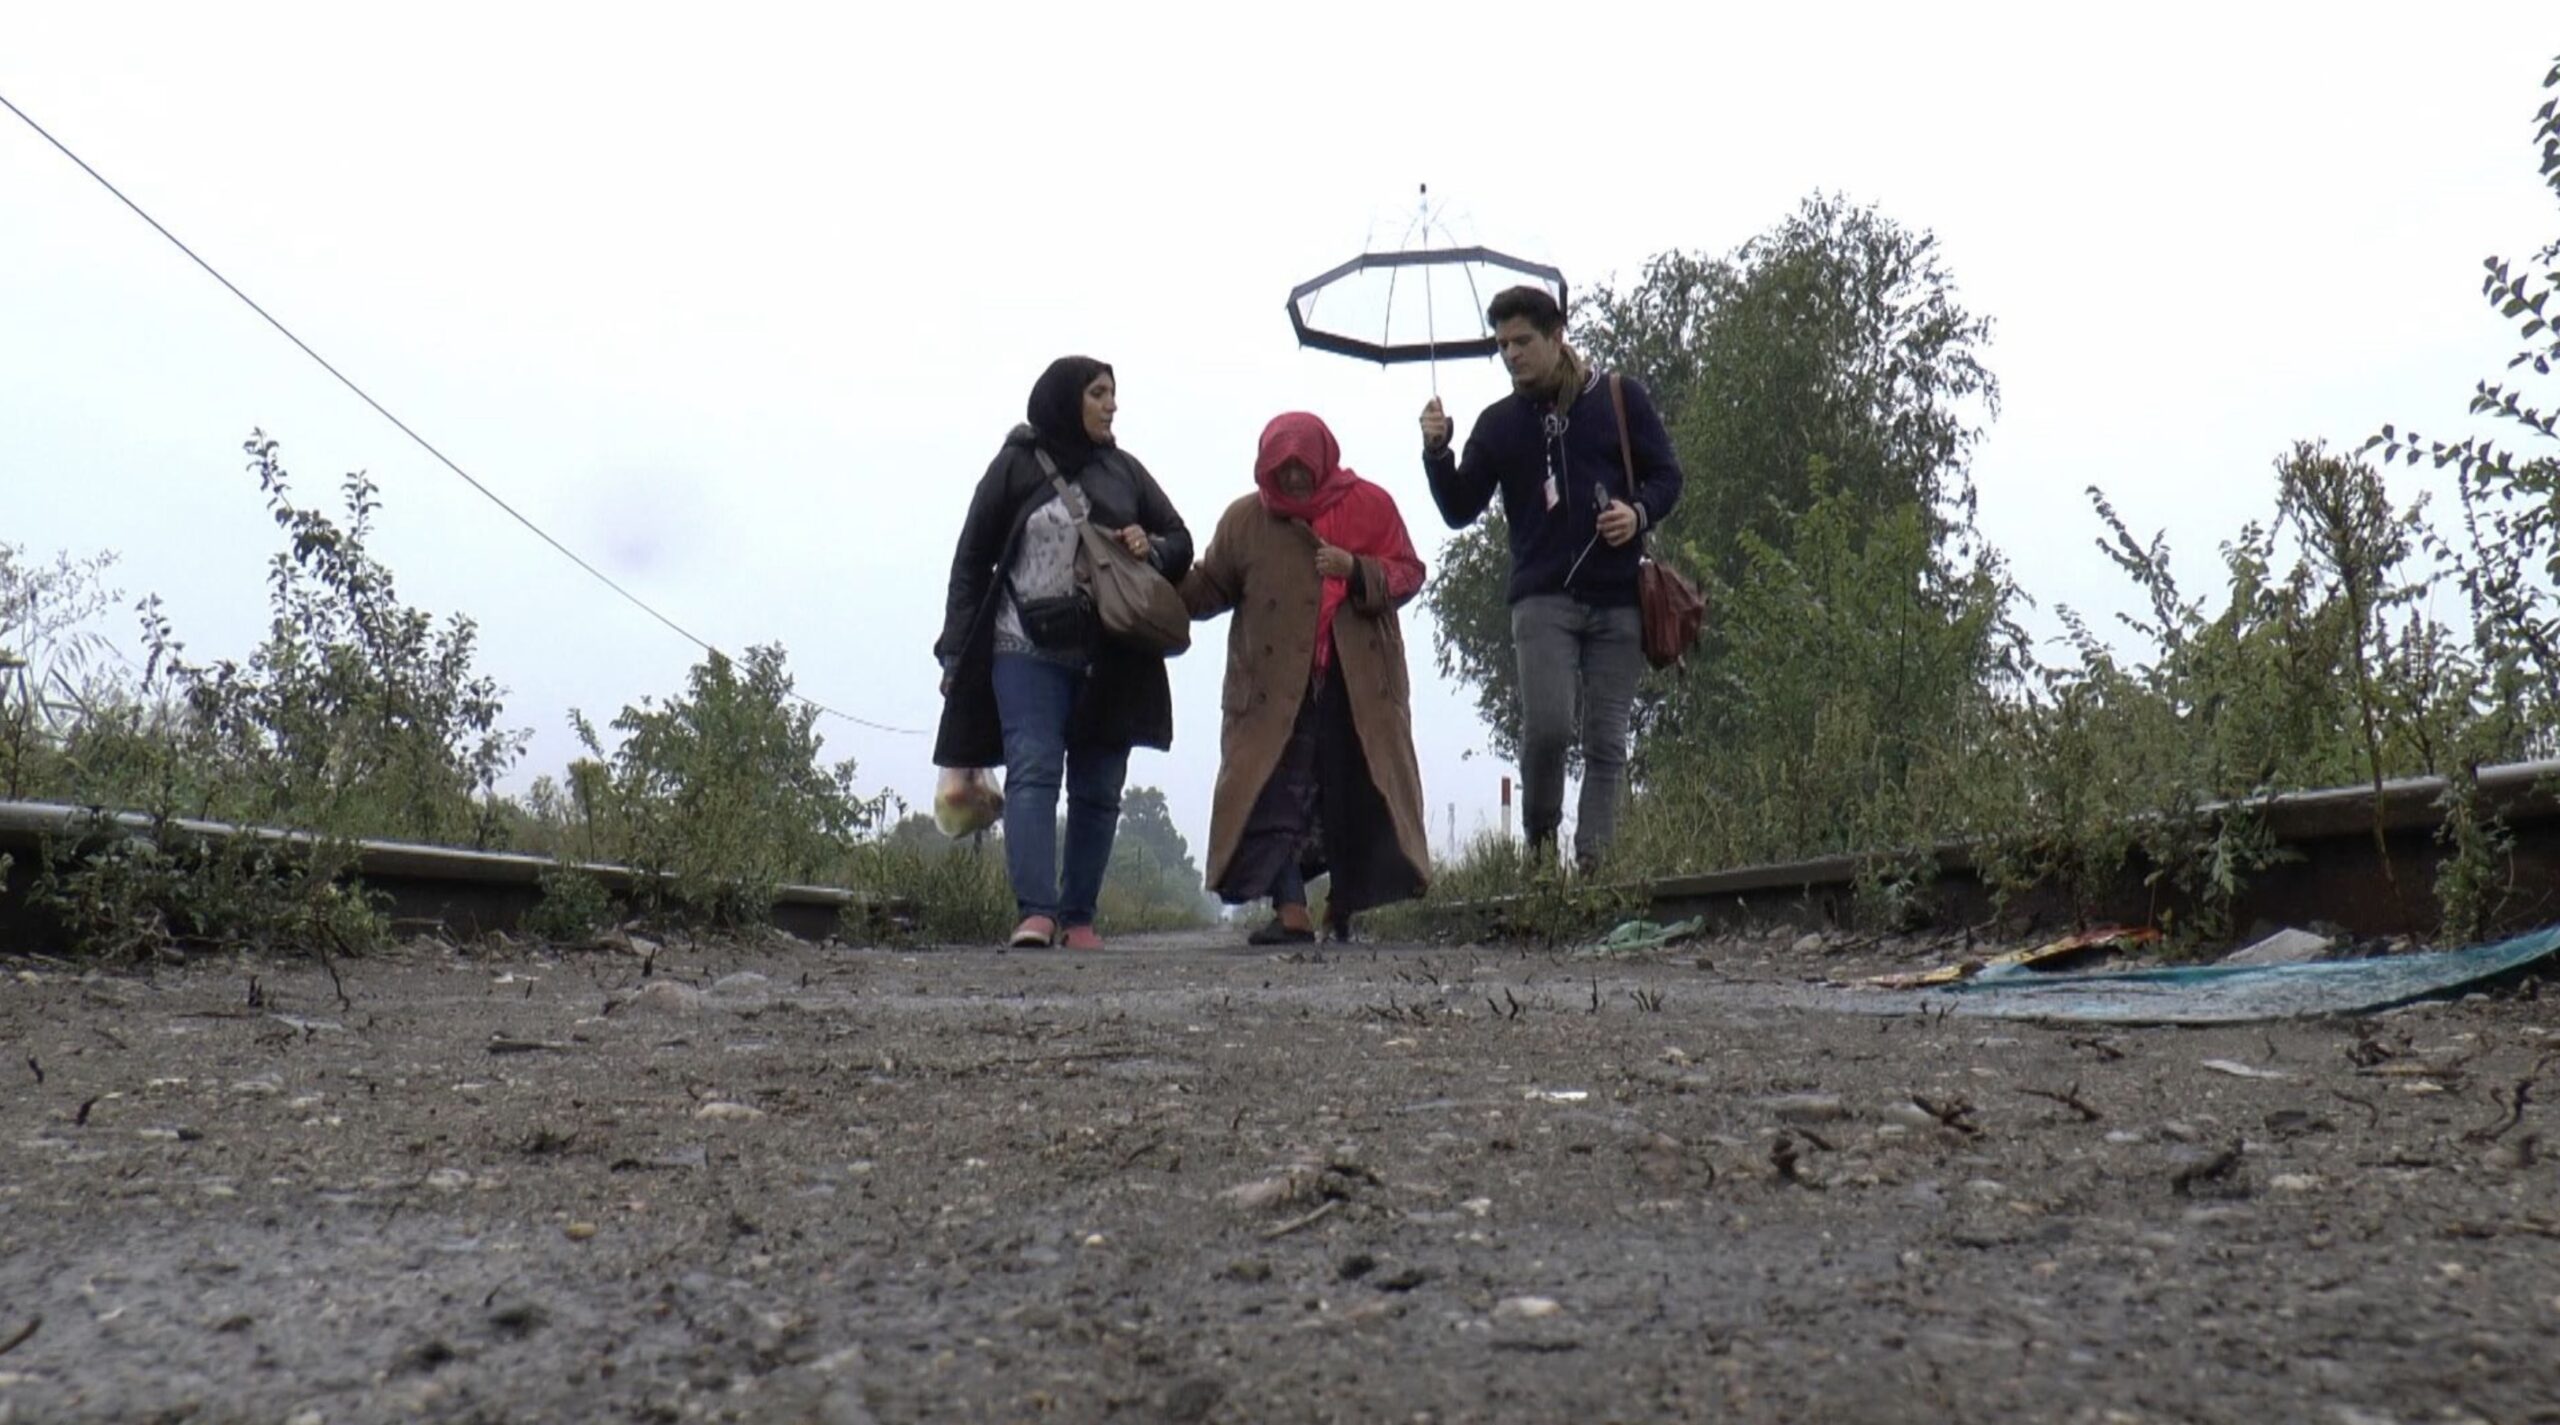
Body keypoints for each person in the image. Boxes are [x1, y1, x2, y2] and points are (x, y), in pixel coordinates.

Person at [1420, 285, 1683, 873]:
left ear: (1556, 335)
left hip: (1618, 599)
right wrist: (1438, 454)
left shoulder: (1618, 398)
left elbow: (1668, 476)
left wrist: (1636, 513)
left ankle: (1595, 865)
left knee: (1607, 741)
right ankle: (1540, 855)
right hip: (1541, 601)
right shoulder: (1499, 424)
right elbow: (1460, 509)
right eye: (1502, 345)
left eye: (1522, 341)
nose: (1511, 354)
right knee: (1546, 730)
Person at [935, 356, 1192, 950]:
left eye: (1114, 394)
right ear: (1064, 399)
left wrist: (1148, 546)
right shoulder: (1013, 466)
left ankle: (1078, 918)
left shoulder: (1125, 472)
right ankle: (1036, 913)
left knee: (1100, 785)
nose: (1112, 405)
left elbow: (1180, 542)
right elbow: (970, 562)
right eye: (1099, 393)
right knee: (1034, 768)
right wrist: (954, 651)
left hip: (1111, 652)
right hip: (1020, 646)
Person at [1183, 412, 1429, 943]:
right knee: (1270, 793)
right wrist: (1154, 577)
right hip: (1271, 692)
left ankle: (1344, 905)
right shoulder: (1246, 522)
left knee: (1352, 792)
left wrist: (1357, 568)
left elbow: (1409, 572)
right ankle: (1291, 909)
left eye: (1302, 466)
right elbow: (1208, 588)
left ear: (1323, 459)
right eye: (1282, 467)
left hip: (1356, 684)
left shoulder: (1372, 505)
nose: (1294, 477)